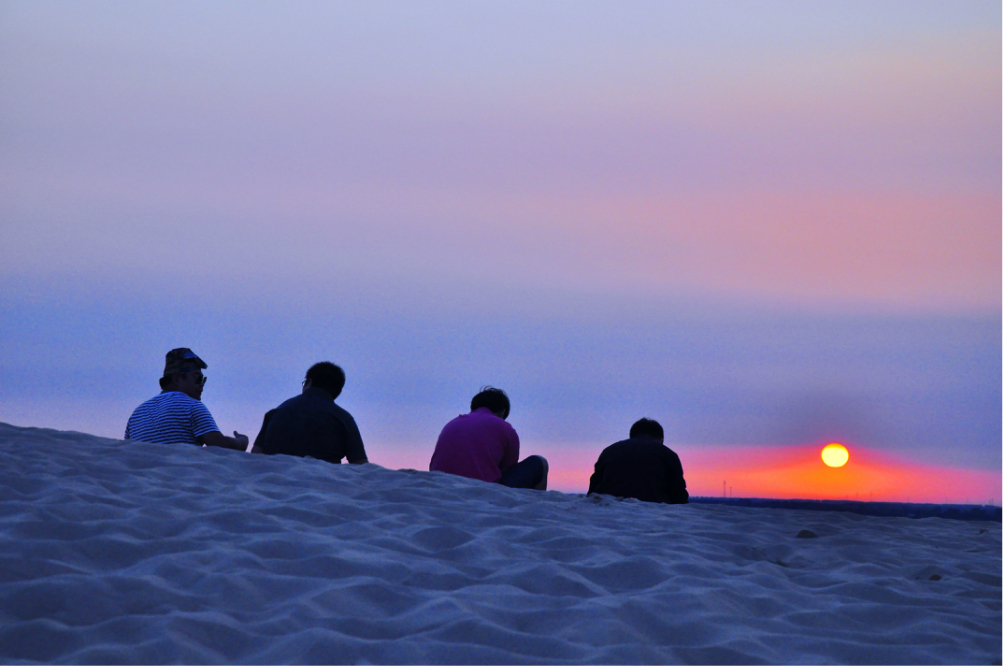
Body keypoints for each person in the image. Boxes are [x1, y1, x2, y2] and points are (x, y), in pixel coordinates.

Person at [125, 348, 248, 450]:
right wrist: (241, 442)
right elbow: (221, 446)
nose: (201, 384)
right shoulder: (191, 406)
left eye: (203, 380)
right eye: (197, 378)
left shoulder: (137, 413)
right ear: (177, 379)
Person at [429, 387, 548, 490]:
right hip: (482, 491)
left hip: (441, 486)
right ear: (502, 412)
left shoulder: (452, 424)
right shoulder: (505, 428)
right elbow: (507, 469)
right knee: (539, 462)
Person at [251, 362, 368, 464]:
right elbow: (360, 464)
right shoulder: (343, 418)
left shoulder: (276, 412)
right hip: (323, 485)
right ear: (337, 391)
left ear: (309, 382)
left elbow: (256, 455)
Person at [587, 418, 688, 504]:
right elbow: (679, 494)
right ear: (660, 439)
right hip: (654, 508)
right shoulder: (667, 454)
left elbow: (593, 488)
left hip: (610, 506)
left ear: (632, 436)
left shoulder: (609, 451)